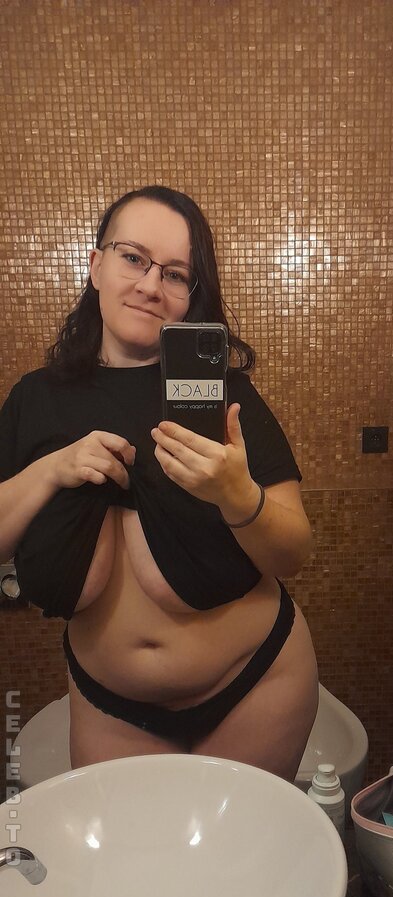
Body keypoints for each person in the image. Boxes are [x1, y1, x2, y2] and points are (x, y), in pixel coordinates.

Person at [0, 185, 319, 781]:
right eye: (133, 258)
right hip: (110, 707)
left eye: (176, 274)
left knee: (241, 846)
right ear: (96, 265)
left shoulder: (227, 397)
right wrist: (51, 470)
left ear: (192, 295)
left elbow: (293, 553)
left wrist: (237, 496)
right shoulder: (33, 400)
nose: (150, 285)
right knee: (127, 847)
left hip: (257, 683)